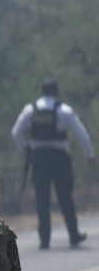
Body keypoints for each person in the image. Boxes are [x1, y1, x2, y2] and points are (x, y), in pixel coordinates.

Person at [11, 78, 95, 249]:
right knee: (65, 197)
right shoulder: (64, 110)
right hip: (59, 159)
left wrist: (25, 150)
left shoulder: (30, 110)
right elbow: (82, 135)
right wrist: (90, 155)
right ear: (56, 93)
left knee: (42, 199)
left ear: (42, 92)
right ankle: (74, 235)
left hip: (39, 159)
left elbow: (16, 133)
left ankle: (44, 239)